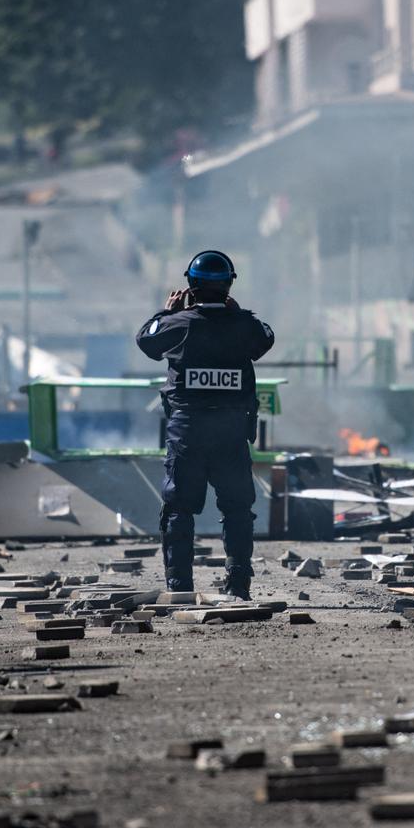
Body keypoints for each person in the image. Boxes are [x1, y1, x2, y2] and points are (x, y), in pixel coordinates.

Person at [136, 250, 274, 599]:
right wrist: (236, 312)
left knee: (179, 508)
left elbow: (146, 341)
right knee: (237, 508)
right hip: (231, 431)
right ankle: (238, 583)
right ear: (228, 285)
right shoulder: (245, 326)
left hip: (188, 432)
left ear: (190, 286)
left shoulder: (178, 324)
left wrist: (168, 312)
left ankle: (180, 586)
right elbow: (265, 339)